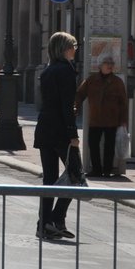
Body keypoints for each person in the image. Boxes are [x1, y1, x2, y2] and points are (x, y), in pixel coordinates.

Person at [35, 31, 81, 240]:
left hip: (45, 129)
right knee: (76, 175)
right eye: (73, 45)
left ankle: (44, 223)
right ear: (64, 49)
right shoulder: (66, 71)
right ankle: (57, 218)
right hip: (61, 131)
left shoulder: (48, 71)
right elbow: (66, 106)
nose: (75, 49)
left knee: (49, 178)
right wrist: (73, 134)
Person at [76, 55, 128, 177]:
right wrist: (75, 107)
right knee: (93, 145)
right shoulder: (91, 80)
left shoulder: (117, 82)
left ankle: (107, 170)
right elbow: (80, 94)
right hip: (95, 119)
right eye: (106, 62)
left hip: (112, 120)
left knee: (109, 147)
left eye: (111, 63)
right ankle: (96, 170)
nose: (110, 65)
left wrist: (123, 120)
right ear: (100, 65)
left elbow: (124, 103)